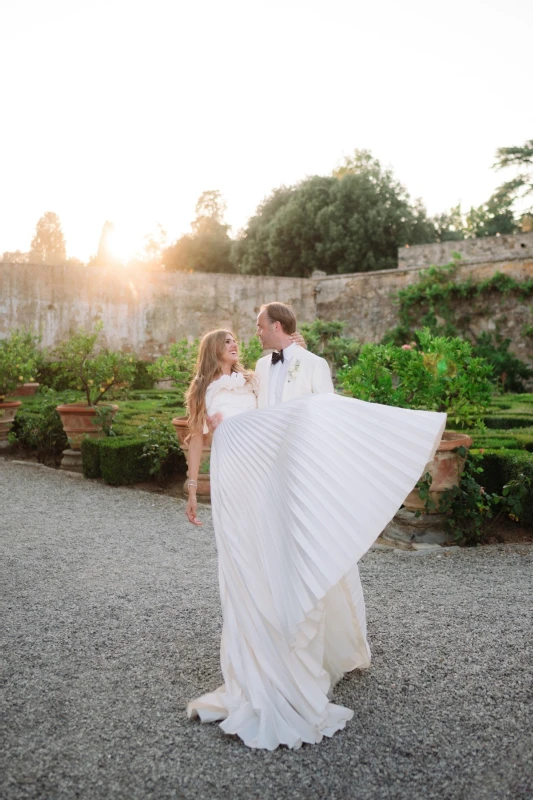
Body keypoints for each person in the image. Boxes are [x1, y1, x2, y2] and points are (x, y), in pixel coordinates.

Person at [184, 320, 446, 751]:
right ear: (214, 349)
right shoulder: (202, 389)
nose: (237, 343)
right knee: (240, 555)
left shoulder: (254, 376)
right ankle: (252, 657)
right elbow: (196, 438)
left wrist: (295, 350)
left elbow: (276, 402)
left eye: (239, 338)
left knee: (268, 544)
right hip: (231, 466)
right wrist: (194, 486)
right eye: (228, 340)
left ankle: (280, 640)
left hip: (260, 464)